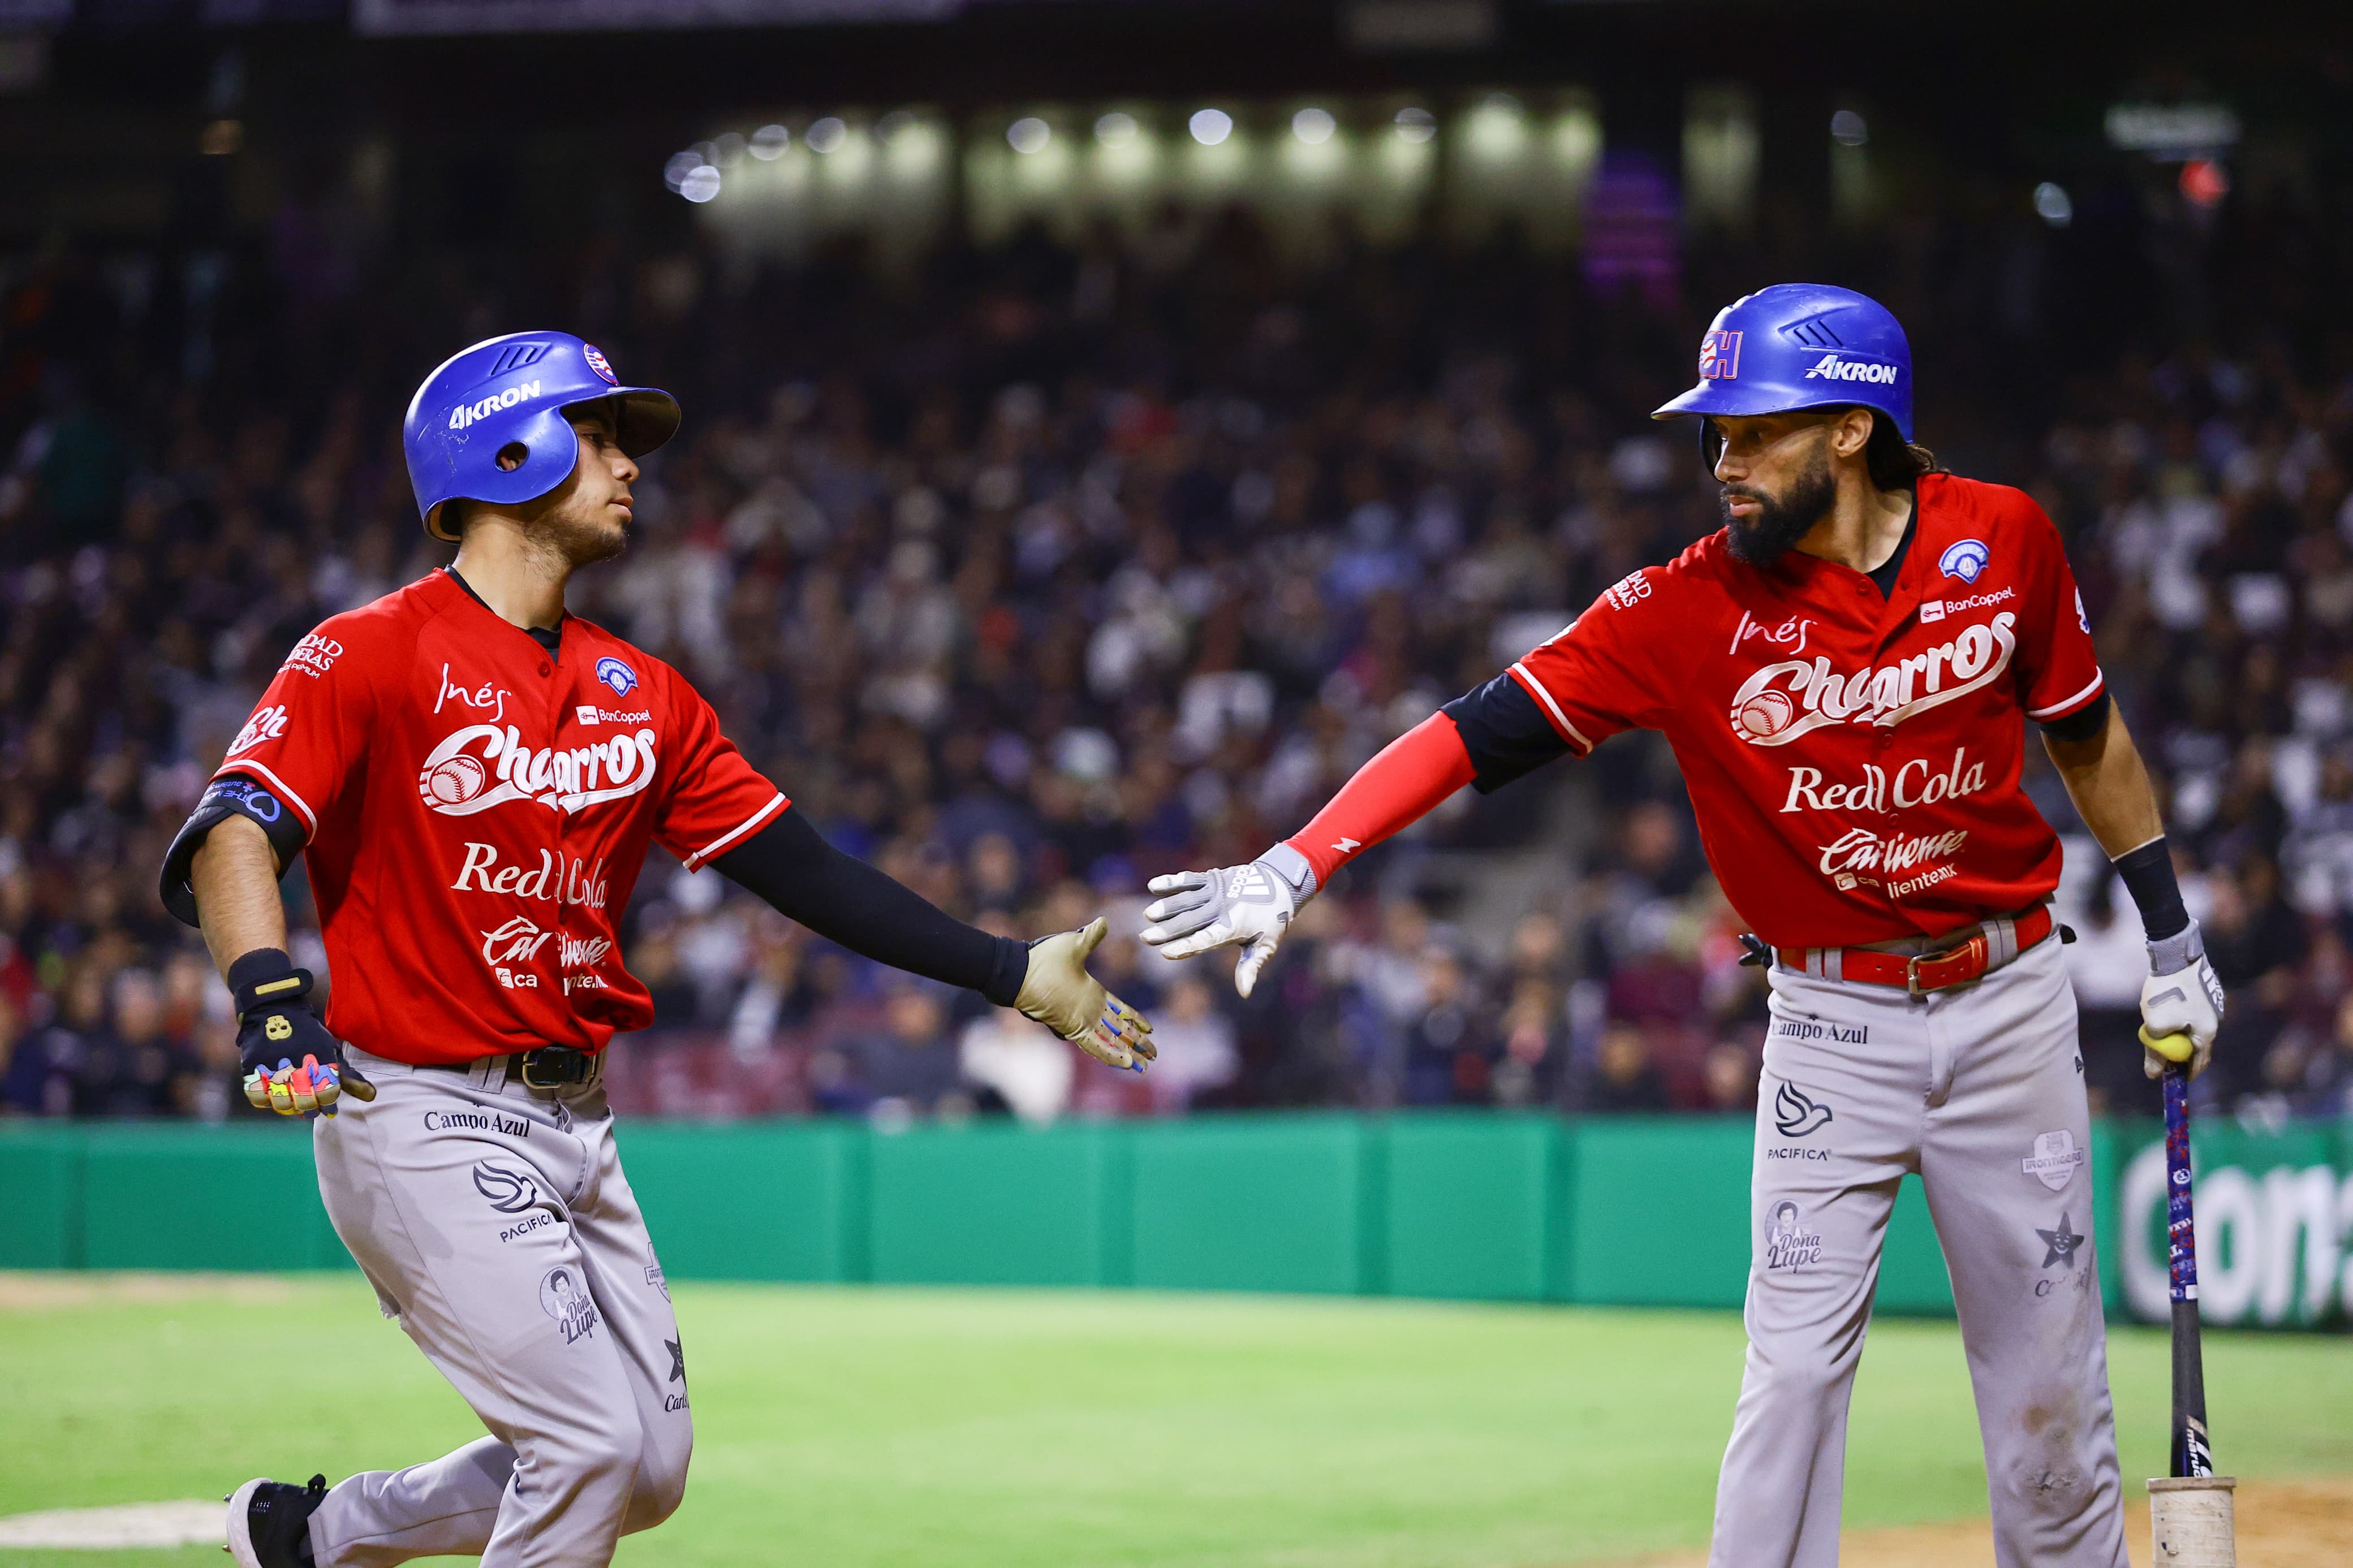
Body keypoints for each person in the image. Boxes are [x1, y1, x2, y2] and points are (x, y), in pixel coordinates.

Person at [1140, 284, 2227, 1567]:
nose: (1723, 459)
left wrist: (2171, 939)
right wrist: (1296, 862)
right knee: (1789, 1387)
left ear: (1847, 427)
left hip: (2012, 1008)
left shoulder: (2005, 538)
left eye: (1753, 428)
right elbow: (1472, 730)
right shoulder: (1681, 607)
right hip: (1831, 1025)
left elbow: (2086, 735)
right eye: (1713, 432)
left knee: (2051, 1399)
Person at [159, 332, 1153, 1568]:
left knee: (648, 1471)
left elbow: (800, 868)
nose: (630, 463)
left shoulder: (645, 691)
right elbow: (235, 825)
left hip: (578, 1124)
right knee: (583, 1447)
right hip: (417, 1110)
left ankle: (316, 1537)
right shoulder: (371, 649)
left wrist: (1008, 970)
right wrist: (266, 996)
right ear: (503, 444)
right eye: (599, 432)